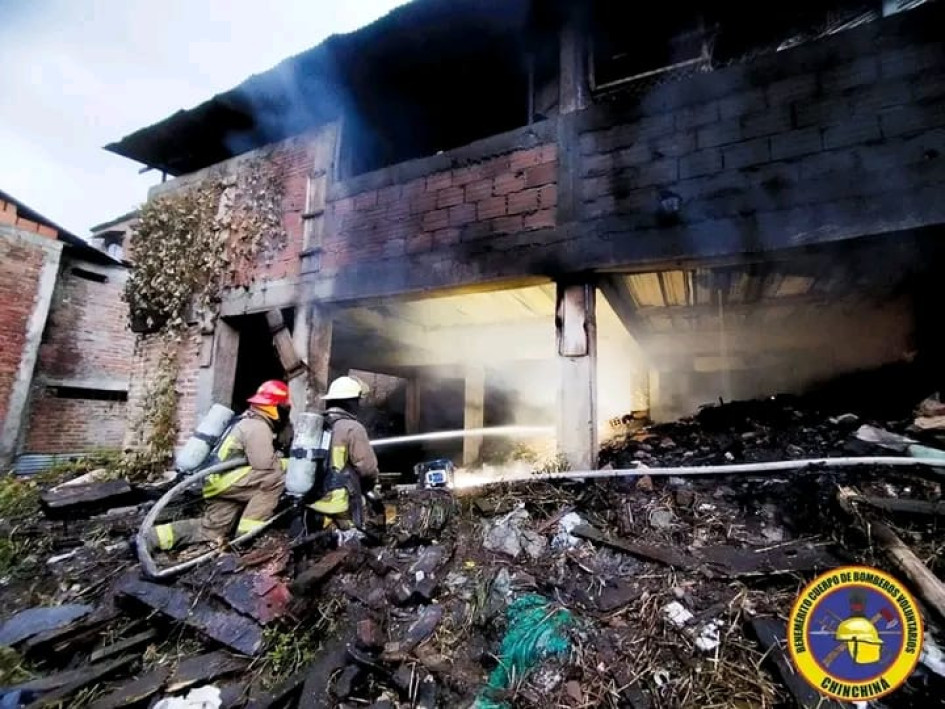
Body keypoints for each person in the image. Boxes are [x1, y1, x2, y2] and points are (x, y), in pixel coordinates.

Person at [147, 379, 292, 552]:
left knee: (212, 530)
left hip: (217, 482)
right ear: (275, 407)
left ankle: (151, 538)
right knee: (275, 479)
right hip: (227, 481)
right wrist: (290, 463)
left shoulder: (244, 420)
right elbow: (265, 465)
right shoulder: (257, 426)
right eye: (284, 408)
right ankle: (247, 538)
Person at [306, 376, 379, 530]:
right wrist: (371, 486)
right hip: (337, 501)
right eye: (357, 400)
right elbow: (367, 469)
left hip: (309, 497)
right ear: (350, 402)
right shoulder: (352, 428)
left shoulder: (316, 424)